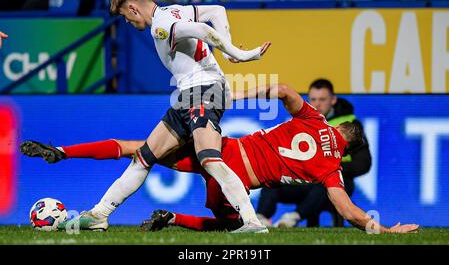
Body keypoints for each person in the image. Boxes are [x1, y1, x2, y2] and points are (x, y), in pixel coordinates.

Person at [21, 0, 271, 233]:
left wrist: (239, 55)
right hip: (189, 95)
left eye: (126, 17)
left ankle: (252, 222)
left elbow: (203, 31)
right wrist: (228, 52)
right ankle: (100, 214)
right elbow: (217, 11)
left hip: (203, 91)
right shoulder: (174, 10)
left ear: (133, 8)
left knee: (208, 158)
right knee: (143, 157)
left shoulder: (160, 27)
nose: (128, 23)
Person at [21, 83, 418, 234]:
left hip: (225, 149)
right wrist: (380, 230)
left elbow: (281, 89)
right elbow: (346, 209)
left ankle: (63, 151)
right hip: (232, 181)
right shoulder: (332, 167)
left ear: (338, 125)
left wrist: (233, 97)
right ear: (348, 147)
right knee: (228, 226)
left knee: (143, 149)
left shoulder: (313, 117)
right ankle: (181, 220)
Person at [256, 79, 371, 228]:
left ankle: (293, 218)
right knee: (273, 176)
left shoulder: (350, 126)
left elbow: (363, 164)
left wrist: (326, 167)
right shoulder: (306, 119)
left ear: (333, 100)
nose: (317, 104)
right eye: (313, 99)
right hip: (305, 179)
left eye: (322, 99)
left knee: (323, 183)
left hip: (334, 180)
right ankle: (260, 218)